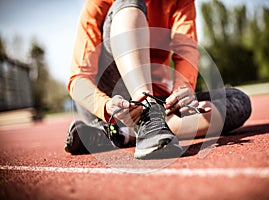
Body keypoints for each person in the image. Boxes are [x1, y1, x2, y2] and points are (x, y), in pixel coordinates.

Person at [65, 0, 251, 159]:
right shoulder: (97, 3)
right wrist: (105, 106)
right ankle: (144, 114)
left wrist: (181, 91)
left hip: (161, 103)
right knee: (130, 2)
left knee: (238, 101)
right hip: (110, 100)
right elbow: (78, 78)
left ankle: (129, 132)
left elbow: (186, 51)